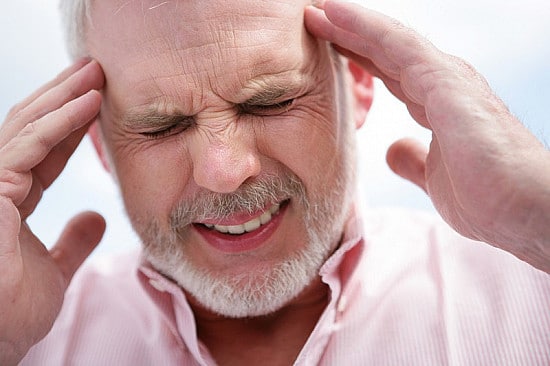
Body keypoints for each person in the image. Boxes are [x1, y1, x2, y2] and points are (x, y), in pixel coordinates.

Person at [1, 0, 549, 364]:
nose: (223, 169)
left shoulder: (534, 278)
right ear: (98, 144)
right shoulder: (27, 339)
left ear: (359, 83)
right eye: (161, 125)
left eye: (272, 101)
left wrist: (539, 215)